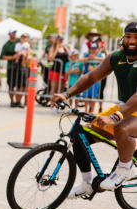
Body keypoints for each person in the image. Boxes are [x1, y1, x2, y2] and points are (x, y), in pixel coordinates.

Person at [52, 21, 137, 196]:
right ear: (123, 37)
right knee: (80, 135)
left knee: (121, 128)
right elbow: (91, 77)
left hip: (131, 107)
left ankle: (124, 170)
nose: (131, 41)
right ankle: (86, 183)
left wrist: (115, 117)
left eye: (136, 38)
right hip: (126, 107)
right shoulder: (117, 57)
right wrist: (66, 94)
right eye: (128, 36)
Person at [0, 30, 24, 107]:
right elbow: (2, 56)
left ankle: (18, 101)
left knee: (21, 85)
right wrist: (12, 57)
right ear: (9, 34)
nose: (14, 34)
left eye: (15, 33)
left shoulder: (20, 41)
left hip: (21, 67)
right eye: (12, 33)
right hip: (11, 67)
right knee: (11, 85)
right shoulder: (7, 44)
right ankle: (12, 101)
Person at [80, 38, 104, 114]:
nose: (93, 50)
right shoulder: (87, 54)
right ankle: (86, 110)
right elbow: (79, 60)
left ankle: (92, 110)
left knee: (93, 95)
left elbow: (105, 59)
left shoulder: (100, 55)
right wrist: (88, 58)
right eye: (92, 49)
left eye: (95, 49)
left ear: (97, 49)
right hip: (87, 78)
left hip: (96, 79)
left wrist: (96, 58)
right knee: (86, 95)